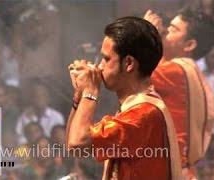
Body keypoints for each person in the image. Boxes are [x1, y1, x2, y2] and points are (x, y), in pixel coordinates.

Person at [66, 16, 181, 179]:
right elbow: (75, 147)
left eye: (106, 59)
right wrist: (79, 95)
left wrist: (90, 92)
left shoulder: (142, 114)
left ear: (128, 63)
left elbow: (78, 142)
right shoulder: (136, 107)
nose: (99, 66)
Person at [144, 7, 214, 178]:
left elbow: (129, 73)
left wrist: (145, 34)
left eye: (173, 29)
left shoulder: (176, 70)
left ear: (189, 45)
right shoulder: (185, 69)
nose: (165, 31)